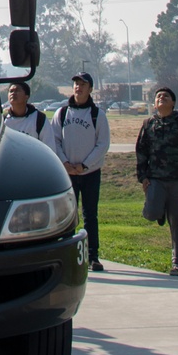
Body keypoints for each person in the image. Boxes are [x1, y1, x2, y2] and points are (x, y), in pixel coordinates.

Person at [136, 87, 178, 276]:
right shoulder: (148, 124)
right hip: (156, 179)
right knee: (151, 213)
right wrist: (143, 177)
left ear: (173, 103)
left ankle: (177, 262)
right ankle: (160, 210)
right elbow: (141, 151)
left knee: (177, 221)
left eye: (166, 96)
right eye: (158, 96)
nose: (161, 98)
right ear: (154, 103)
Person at [49, 73, 110, 272]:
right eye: (76, 84)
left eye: (83, 84)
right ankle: (68, 255)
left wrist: (84, 165)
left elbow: (103, 144)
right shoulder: (62, 113)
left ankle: (93, 256)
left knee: (90, 214)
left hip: (90, 173)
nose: (78, 87)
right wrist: (65, 163)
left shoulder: (97, 115)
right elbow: (55, 140)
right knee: (68, 216)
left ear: (90, 89)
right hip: (67, 174)